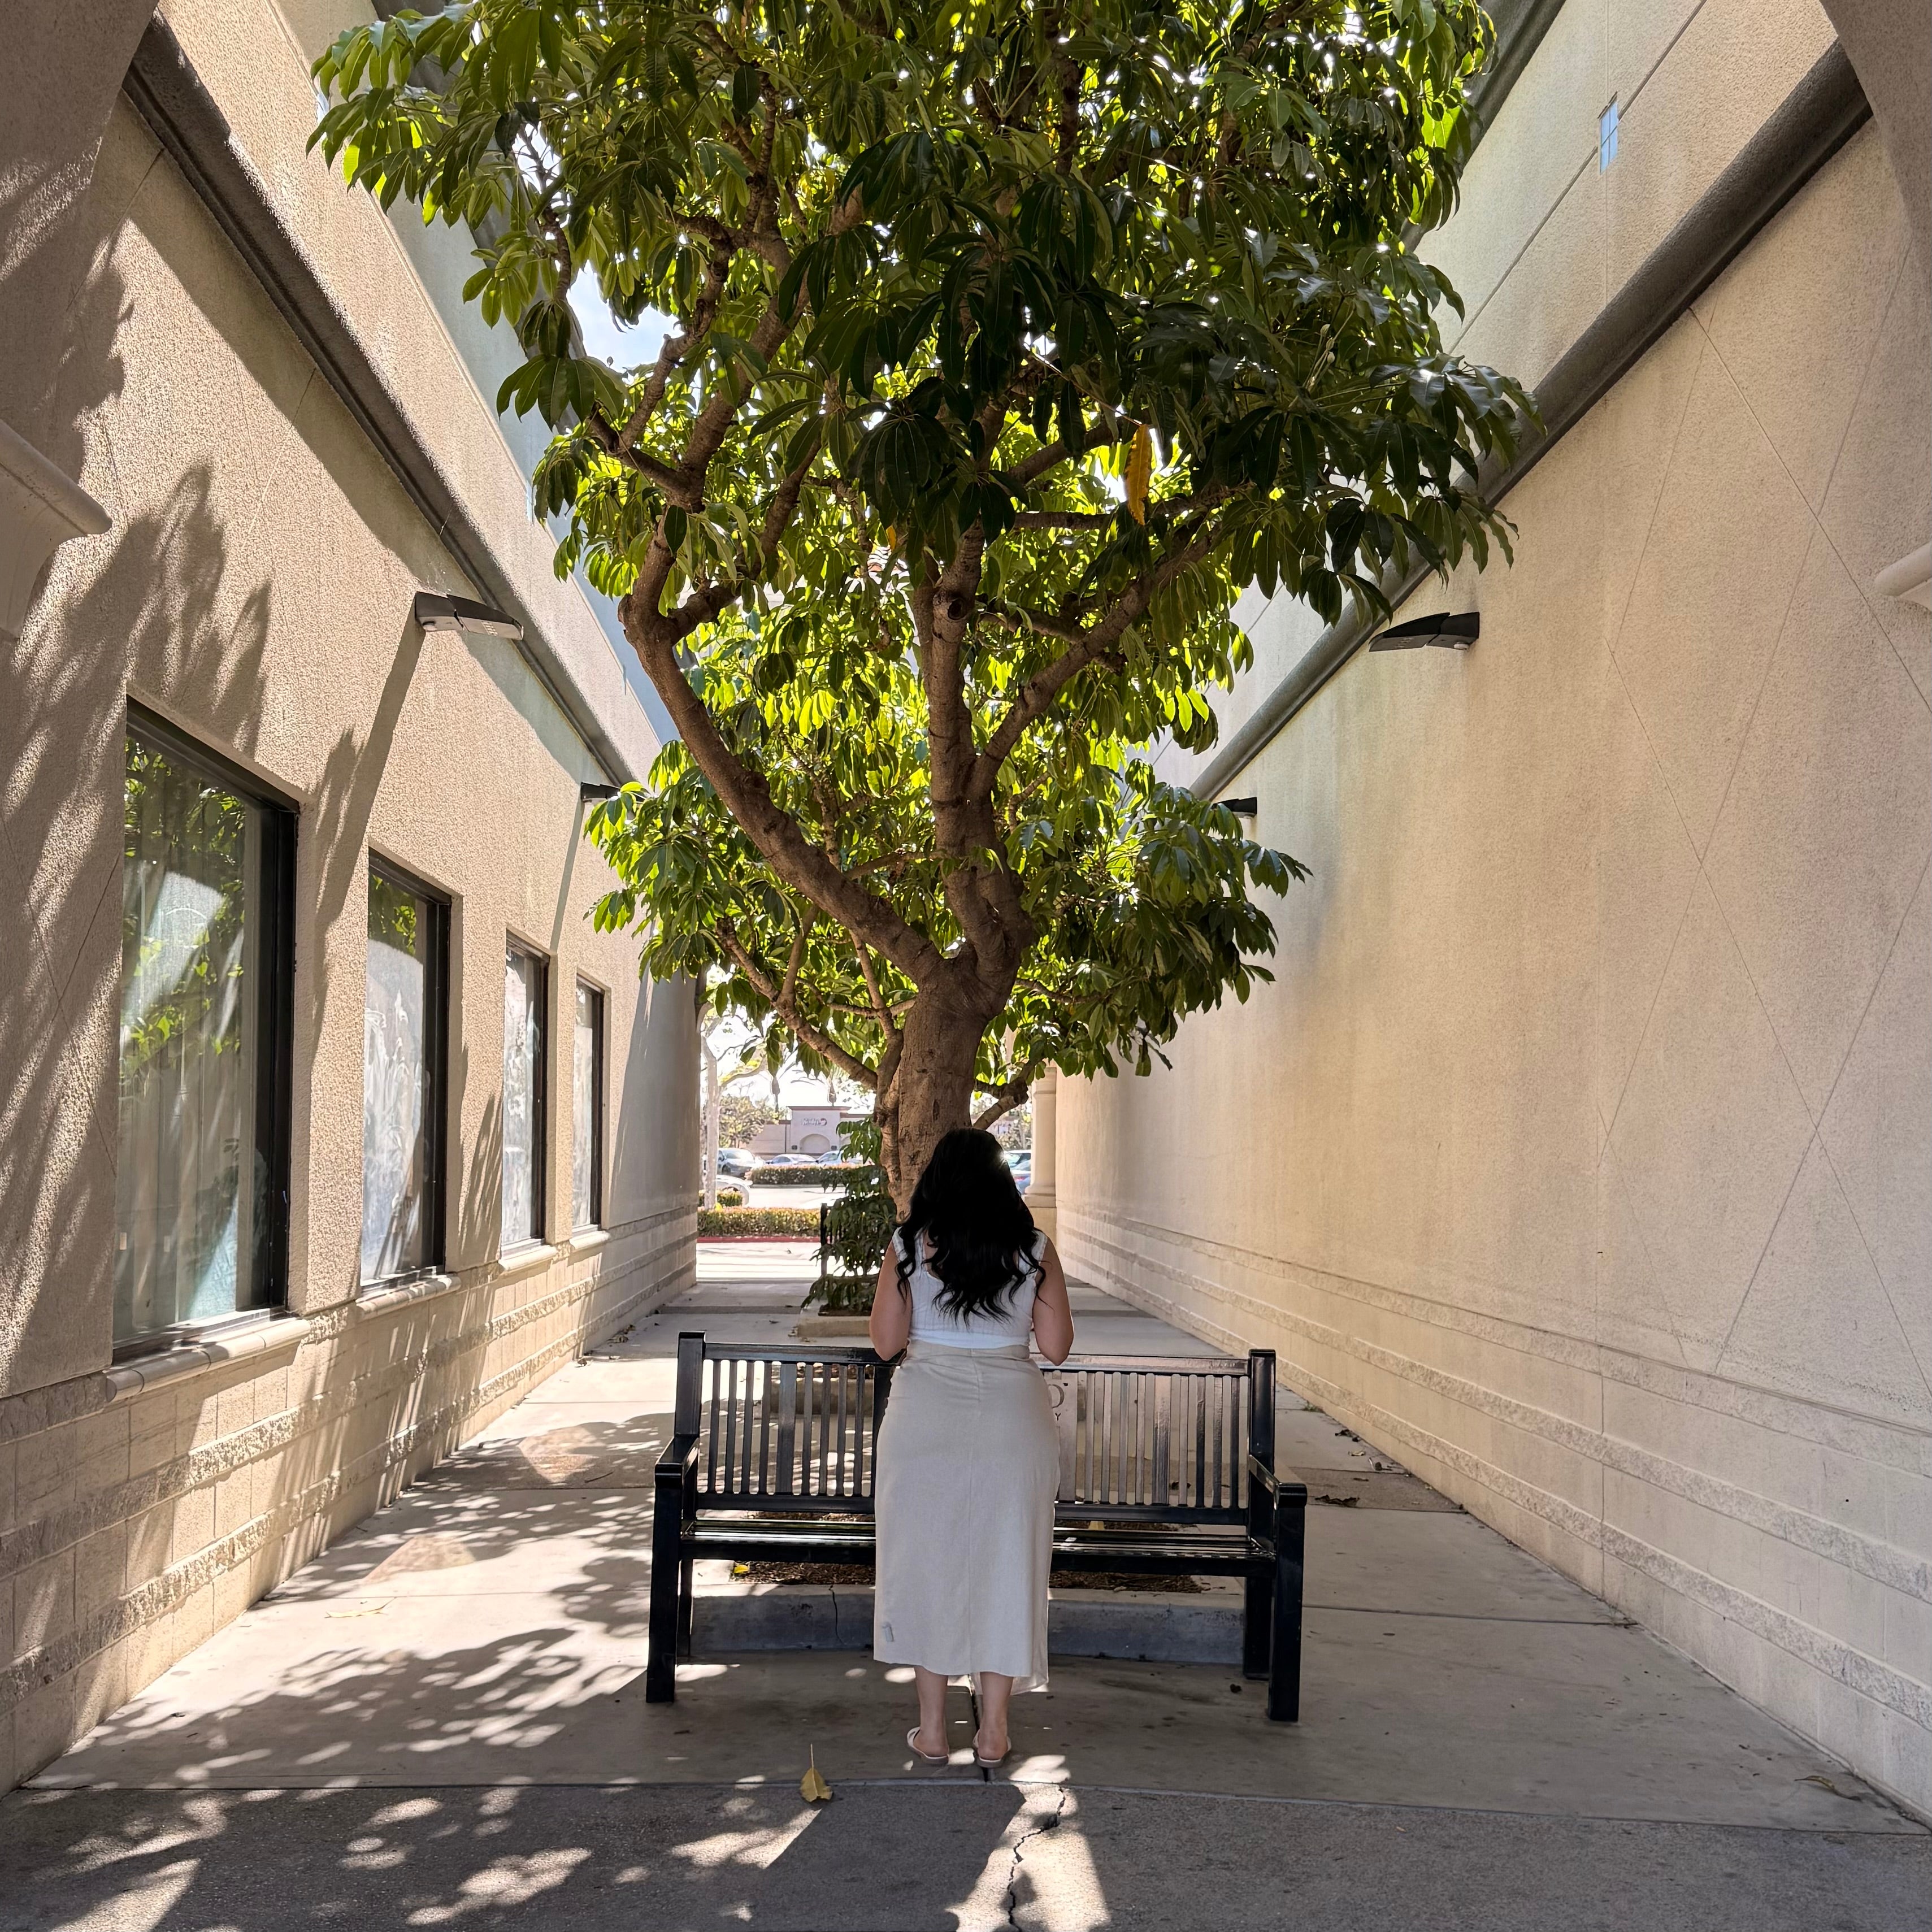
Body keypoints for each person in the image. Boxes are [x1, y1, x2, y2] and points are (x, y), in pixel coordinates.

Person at [868, 1127, 1075, 1767]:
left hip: (923, 1416)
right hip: (1012, 1422)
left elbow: (883, 1342)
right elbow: (1057, 1346)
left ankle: (931, 1730)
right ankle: (993, 1732)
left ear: (936, 1178)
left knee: (926, 1561)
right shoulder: (1034, 1248)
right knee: (1008, 1562)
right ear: (999, 1181)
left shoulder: (907, 1246)